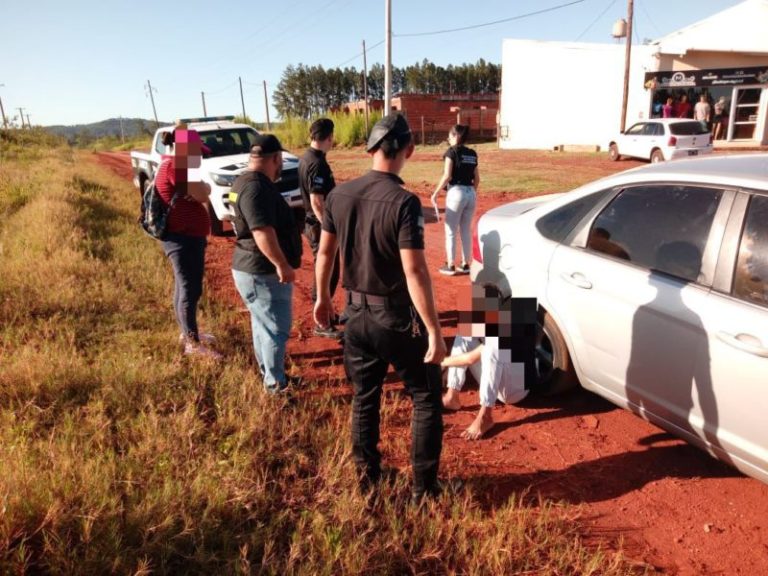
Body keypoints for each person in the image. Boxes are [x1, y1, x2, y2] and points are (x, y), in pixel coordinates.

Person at [314, 114, 447, 502]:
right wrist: (435, 331)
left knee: (365, 396)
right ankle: (424, 490)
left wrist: (323, 297)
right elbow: (415, 269)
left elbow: (325, 253)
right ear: (408, 150)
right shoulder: (404, 202)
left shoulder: (339, 195)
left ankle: (366, 479)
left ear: (370, 149)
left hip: (354, 314)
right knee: (424, 398)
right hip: (395, 319)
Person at [230, 134, 302, 394]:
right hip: (262, 271)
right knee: (275, 329)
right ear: (275, 158)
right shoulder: (256, 187)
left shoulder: (240, 182)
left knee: (262, 326)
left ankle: (272, 376)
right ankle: (275, 387)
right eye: (280, 160)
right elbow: (261, 231)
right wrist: (282, 264)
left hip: (250, 268)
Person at [155, 127, 220, 359]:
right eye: (198, 153)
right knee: (190, 289)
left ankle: (188, 333)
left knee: (183, 288)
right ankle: (192, 343)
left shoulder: (172, 166)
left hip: (183, 238)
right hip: (183, 239)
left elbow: (200, 191)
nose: (200, 158)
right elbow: (202, 194)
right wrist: (204, 188)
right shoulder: (177, 166)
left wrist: (203, 188)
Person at [441, 284, 534, 440]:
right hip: (498, 379)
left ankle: (486, 416)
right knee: (463, 335)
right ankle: (452, 397)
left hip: (515, 390)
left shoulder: (504, 326)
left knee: (492, 348)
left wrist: (442, 362)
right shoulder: (488, 321)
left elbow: (471, 358)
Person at [299, 118, 342, 339]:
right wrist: (329, 228)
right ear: (329, 137)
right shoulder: (317, 163)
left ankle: (328, 313)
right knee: (327, 270)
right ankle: (322, 321)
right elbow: (317, 201)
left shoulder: (307, 157)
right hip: (318, 225)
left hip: (314, 223)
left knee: (328, 269)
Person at [431, 124, 480, 276]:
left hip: (456, 192)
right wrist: (472, 192)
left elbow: (447, 175)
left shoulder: (451, 152)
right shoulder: (472, 153)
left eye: (450, 136)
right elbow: (477, 179)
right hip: (470, 192)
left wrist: (435, 193)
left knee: (451, 230)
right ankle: (466, 264)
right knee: (465, 230)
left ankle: (451, 265)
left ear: (456, 136)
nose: (448, 138)